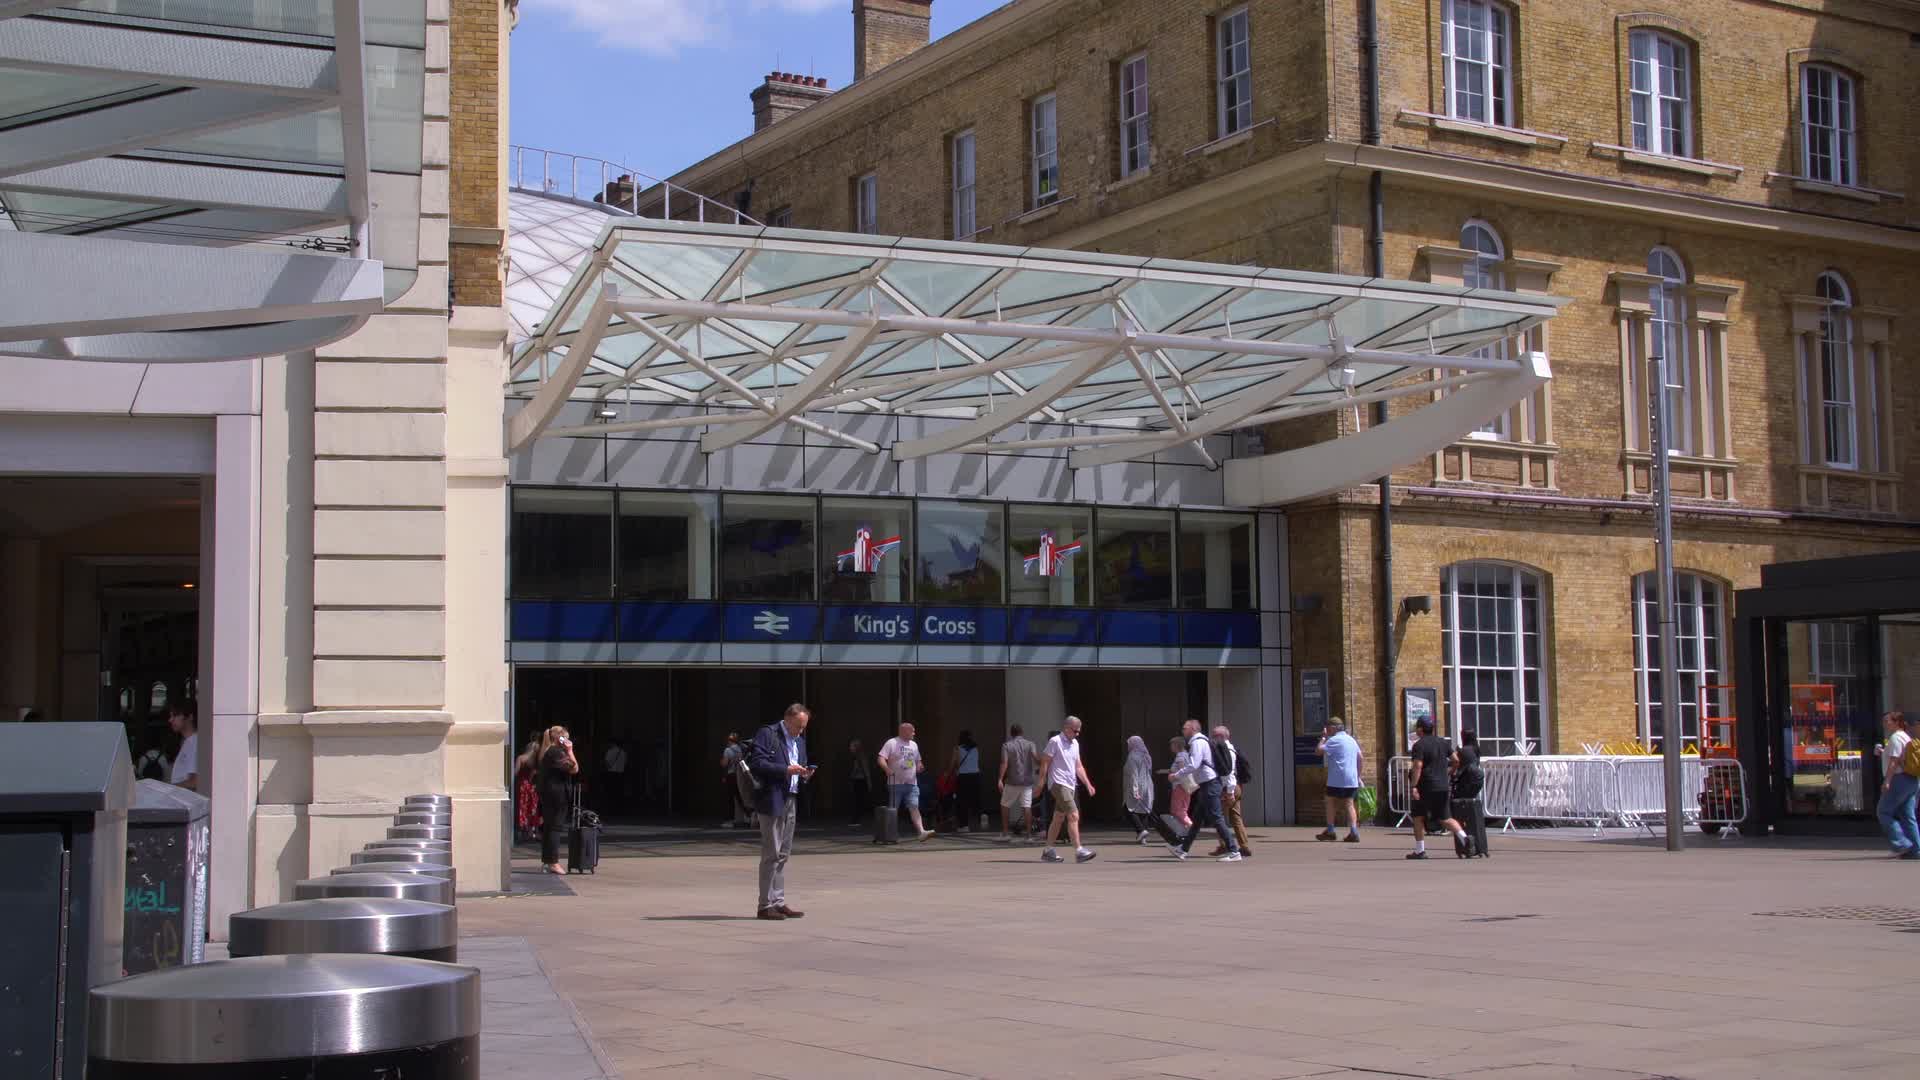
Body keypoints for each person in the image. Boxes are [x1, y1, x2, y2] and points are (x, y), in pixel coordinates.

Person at [747, 703, 815, 919]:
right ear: (787, 719)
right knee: (771, 853)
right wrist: (785, 769)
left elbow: (800, 763)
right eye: (798, 726)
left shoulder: (799, 742)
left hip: (791, 798)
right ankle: (764, 905)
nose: (800, 731)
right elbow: (758, 763)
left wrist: (804, 774)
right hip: (772, 799)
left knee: (783, 854)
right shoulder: (768, 734)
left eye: (804, 727)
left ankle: (778, 901)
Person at [1168, 717, 1240, 861]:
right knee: (1197, 820)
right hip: (1207, 784)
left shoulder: (1197, 742)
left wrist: (1176, 775)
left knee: (1217, 818)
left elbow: (1193, 765)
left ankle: (1234, 851)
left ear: (1193, 729)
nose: (1183, 730)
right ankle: (1183, 849)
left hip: (1210, 784)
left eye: (1185, 728)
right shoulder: (1201, 741)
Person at [1035, 716, 1096, 863]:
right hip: (1058, 783)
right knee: (1073, 815)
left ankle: (1048, 851)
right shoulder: (1055, 741)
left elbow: (1078, 766)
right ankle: (1079, 851)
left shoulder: (1075, 743)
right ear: (1067, 728)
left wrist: (1088, 783)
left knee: (1058, 818)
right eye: (1075, 731)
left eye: (1079, 731)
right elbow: (1045, 763)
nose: (1077, 734)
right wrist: (1041, 783)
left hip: (1070, 785)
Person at [1405, 717, 1468, 860]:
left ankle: (1420, 850)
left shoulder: (1419, 745)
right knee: (1446, 818)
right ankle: (1466, 839)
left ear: (1420, 729)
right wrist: (1449, 772)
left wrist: (1414, 786)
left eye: (1417, 727)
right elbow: (1456, 760)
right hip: (1442, 786)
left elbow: (1418, 766)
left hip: (1425, 787)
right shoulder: (1443, 742)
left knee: (1418, 817)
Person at [878, 721, 934, 841]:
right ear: (904, 731)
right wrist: (887, 769)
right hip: (895, 783)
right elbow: (881, 758)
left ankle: (921, 832)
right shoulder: (892, 743)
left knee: (914, 807)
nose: (914, 733)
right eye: (912, 731)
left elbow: (918, 760)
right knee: (893, 809)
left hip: (912, 783)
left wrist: (920, 766)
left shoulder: (914, 745)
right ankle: (890, 834)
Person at [536, 725, 580, 875]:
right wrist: (570, 750)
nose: (568, 740)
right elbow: (574, 769)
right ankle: (553, 862)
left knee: (549, 828)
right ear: (559, 738)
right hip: (557, 795)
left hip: (550, 794)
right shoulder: (556, 752)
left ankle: (548, 860)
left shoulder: (549, 751)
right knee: (555, 828)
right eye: (565, 738)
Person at [1122, 735, 1181, 845]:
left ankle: (1141, 830)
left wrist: (1135, 790)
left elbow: (1134, 774)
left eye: (1129, 744)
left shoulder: (1132, 756)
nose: (1128, 746)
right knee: (1144, 810)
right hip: (1148, 785)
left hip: (1137, 784)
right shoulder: (1146, 755)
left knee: (1128, 808)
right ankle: (1143, 837)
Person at [1314, 719, 1365, 843]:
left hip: (1337, 778)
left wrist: (1323, 738)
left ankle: (1330, 831)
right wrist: (1358, 776)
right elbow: (1360, 758)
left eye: (1328, 727)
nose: (1327, 730)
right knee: (1349, 804)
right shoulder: (1351, 740)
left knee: (1330, 801)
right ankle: (1354, 832)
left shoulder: (1334, 740)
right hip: (1351, 779)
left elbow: (1318, 751)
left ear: (1333, 728)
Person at [1876, 712, 1918, 859]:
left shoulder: (1895, 738)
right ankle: (1916, 850)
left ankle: (1902, 843)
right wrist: (1883, 752)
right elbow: (1901, 758)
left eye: (1887, 721)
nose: (1884, 724)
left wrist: (1887, 781)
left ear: (1896, 722)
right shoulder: (1906, 737)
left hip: (1898, 779)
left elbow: (1894, 762)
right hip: (1911, 780)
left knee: (1883, 811)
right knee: (1907, 816)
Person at [1209, 724, 1253, 859]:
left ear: (1221, 737)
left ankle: (1225, 846)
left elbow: (1227, 772)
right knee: (1236, 817)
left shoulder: (1225, 750)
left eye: (1214, 736)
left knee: (1219, 817)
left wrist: (1229, 791)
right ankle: (1244, 846)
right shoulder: (1233, 748)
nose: (1212, 738)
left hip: (1228, 787)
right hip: (1236, 786)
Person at [1450, 728, 1488, 859]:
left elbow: (1456, 764)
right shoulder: (1476, 748)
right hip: (1476, 781)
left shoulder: (1464, 750)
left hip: (1466, 782)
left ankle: (1466, 842)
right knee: (1471, 809)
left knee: (1460, 812)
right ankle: (1480, 845)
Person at [998, 723, 1039, 842]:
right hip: (1027, 782)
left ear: (1011, 733)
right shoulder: (1030, 744)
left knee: (1005, 805)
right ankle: (1029, 836)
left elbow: (1004, 763)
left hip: (1012, 781)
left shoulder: (1006, 746)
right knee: (1026, 807)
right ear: (1022, 732)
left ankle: (1006, 833)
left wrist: (1000, 779)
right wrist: (1044, 765)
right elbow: (1036, 759)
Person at [949, 730, 982, 833]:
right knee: (975, 800)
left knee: (962, 802)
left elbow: (954, 763)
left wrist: (949, 773)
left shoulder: (957, 748)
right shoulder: (975, 748)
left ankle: (964, 826)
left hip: (964, 777)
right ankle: (980, 821)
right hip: (976, 776)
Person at [167, 700, 200, 792]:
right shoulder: (188, 742)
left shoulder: (195, 742)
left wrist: (167, 789)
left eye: (175, 715)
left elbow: (195, 782)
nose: (170, 720)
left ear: (190, 717)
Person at [514, 738, 542, 844]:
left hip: (522, 786)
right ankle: (532, 832)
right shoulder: (535, 762)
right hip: (532, 787)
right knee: (532, 809)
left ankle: (522, 831)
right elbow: (533, 776)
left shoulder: (521, 758)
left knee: (522, 808)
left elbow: (515, 772)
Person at [721, 733, 752, 828]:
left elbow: (725, 764)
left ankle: (730, 820)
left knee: (730, 798)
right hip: (740, 775)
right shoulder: (740, 749)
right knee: (740, 796)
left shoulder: (728, 750)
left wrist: (722, 762)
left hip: (731, 775)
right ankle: (748, 816)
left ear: (729, 741)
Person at [1162, 735, 1193, 830]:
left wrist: (1173, 776)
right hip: (1186, 787)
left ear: (1176, 745)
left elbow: (1182, 770)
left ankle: (1191, 827)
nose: (1170, 747)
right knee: (1183, 809)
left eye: (1171, 745)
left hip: (1180, 786)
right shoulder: (1187, 755)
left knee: (1176, 810)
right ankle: (1184, 831)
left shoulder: (1180, 757)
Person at [846, 738, 872, 827]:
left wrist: (868, 782)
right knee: (857, 800)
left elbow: (865, 770)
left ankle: (856, 819)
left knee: (858, 800)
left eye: (852, 746)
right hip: (856, 780)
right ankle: (856, 818)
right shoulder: (854, 757)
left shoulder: (860, 757)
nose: (850, 748)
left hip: (860, 781)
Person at [601, 738, 628, 817]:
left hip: (611, 774)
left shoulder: (610, 751)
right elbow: (625, 763)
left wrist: (608, 768)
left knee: (610, 793)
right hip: (621, 774)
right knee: (619, 793)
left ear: (612, 743)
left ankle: (610, 811)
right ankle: (618, 810)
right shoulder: (623, 752)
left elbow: (606, 762)